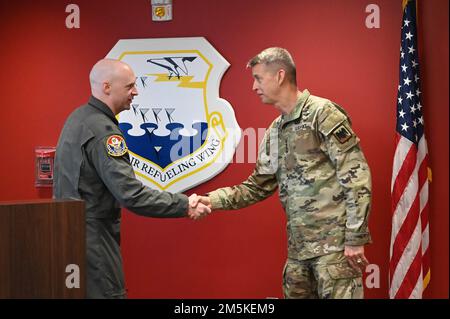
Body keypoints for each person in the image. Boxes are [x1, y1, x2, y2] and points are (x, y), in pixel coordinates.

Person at [191, 47, 372, 299]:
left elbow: (355, 174)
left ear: (279, 75)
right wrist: (210, 199)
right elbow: (256, 186)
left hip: (334, 252)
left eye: (258, 78)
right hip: (298, 254)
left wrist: (355, 237)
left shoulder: (323, 113)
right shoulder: (275, 130)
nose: (254, 87)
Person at [53, 59, 210, 299]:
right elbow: (131, 195)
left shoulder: (78, 119)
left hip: (69, 238)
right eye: (129, 86)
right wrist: (184, 204)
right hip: (95, 242)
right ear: (107, 87)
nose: (135, 92)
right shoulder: (104, 132)